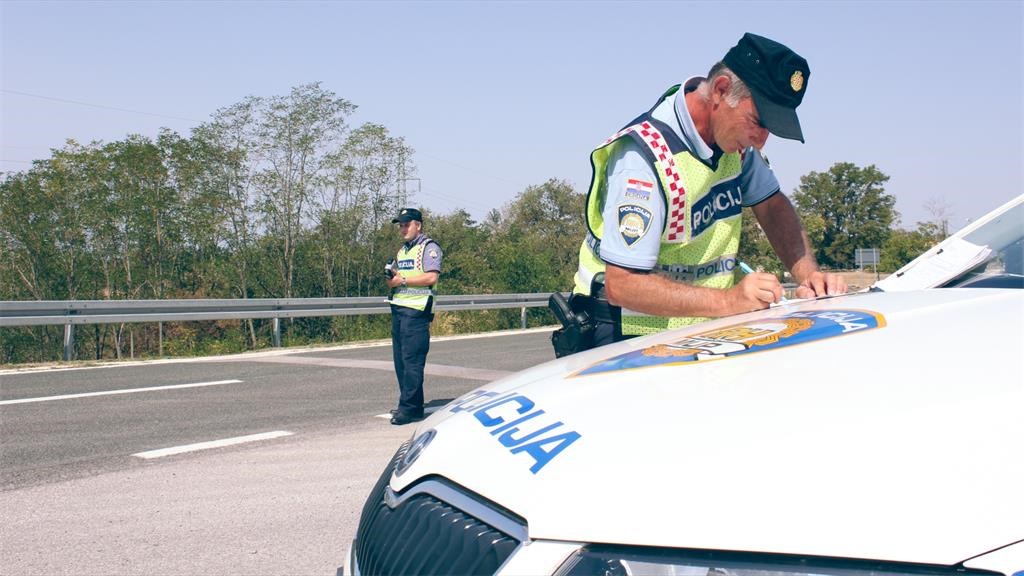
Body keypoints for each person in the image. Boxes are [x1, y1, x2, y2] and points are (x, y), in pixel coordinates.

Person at [570, 32, 847, 349]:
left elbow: (773, 206)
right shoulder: (644, 158)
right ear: (720, 90)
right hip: (623, 332)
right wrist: (729, 301)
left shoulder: (736, 146)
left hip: (698, 326)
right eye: (757, 121)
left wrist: (808, 274)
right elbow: (624, 286)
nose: (761, 140)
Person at [386, 208, 442, 425]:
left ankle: (408, 409)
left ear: (417, 225)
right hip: (399, 308)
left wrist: (403, 281)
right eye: (400, 225)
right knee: (401, 363)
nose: (402, 228)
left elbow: (431, 277)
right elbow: (400, 278)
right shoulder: (403, 251)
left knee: (412, 362)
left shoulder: (429, 248)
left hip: (416, 312)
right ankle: (414, 406)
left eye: (406, 224)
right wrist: (393, 280)